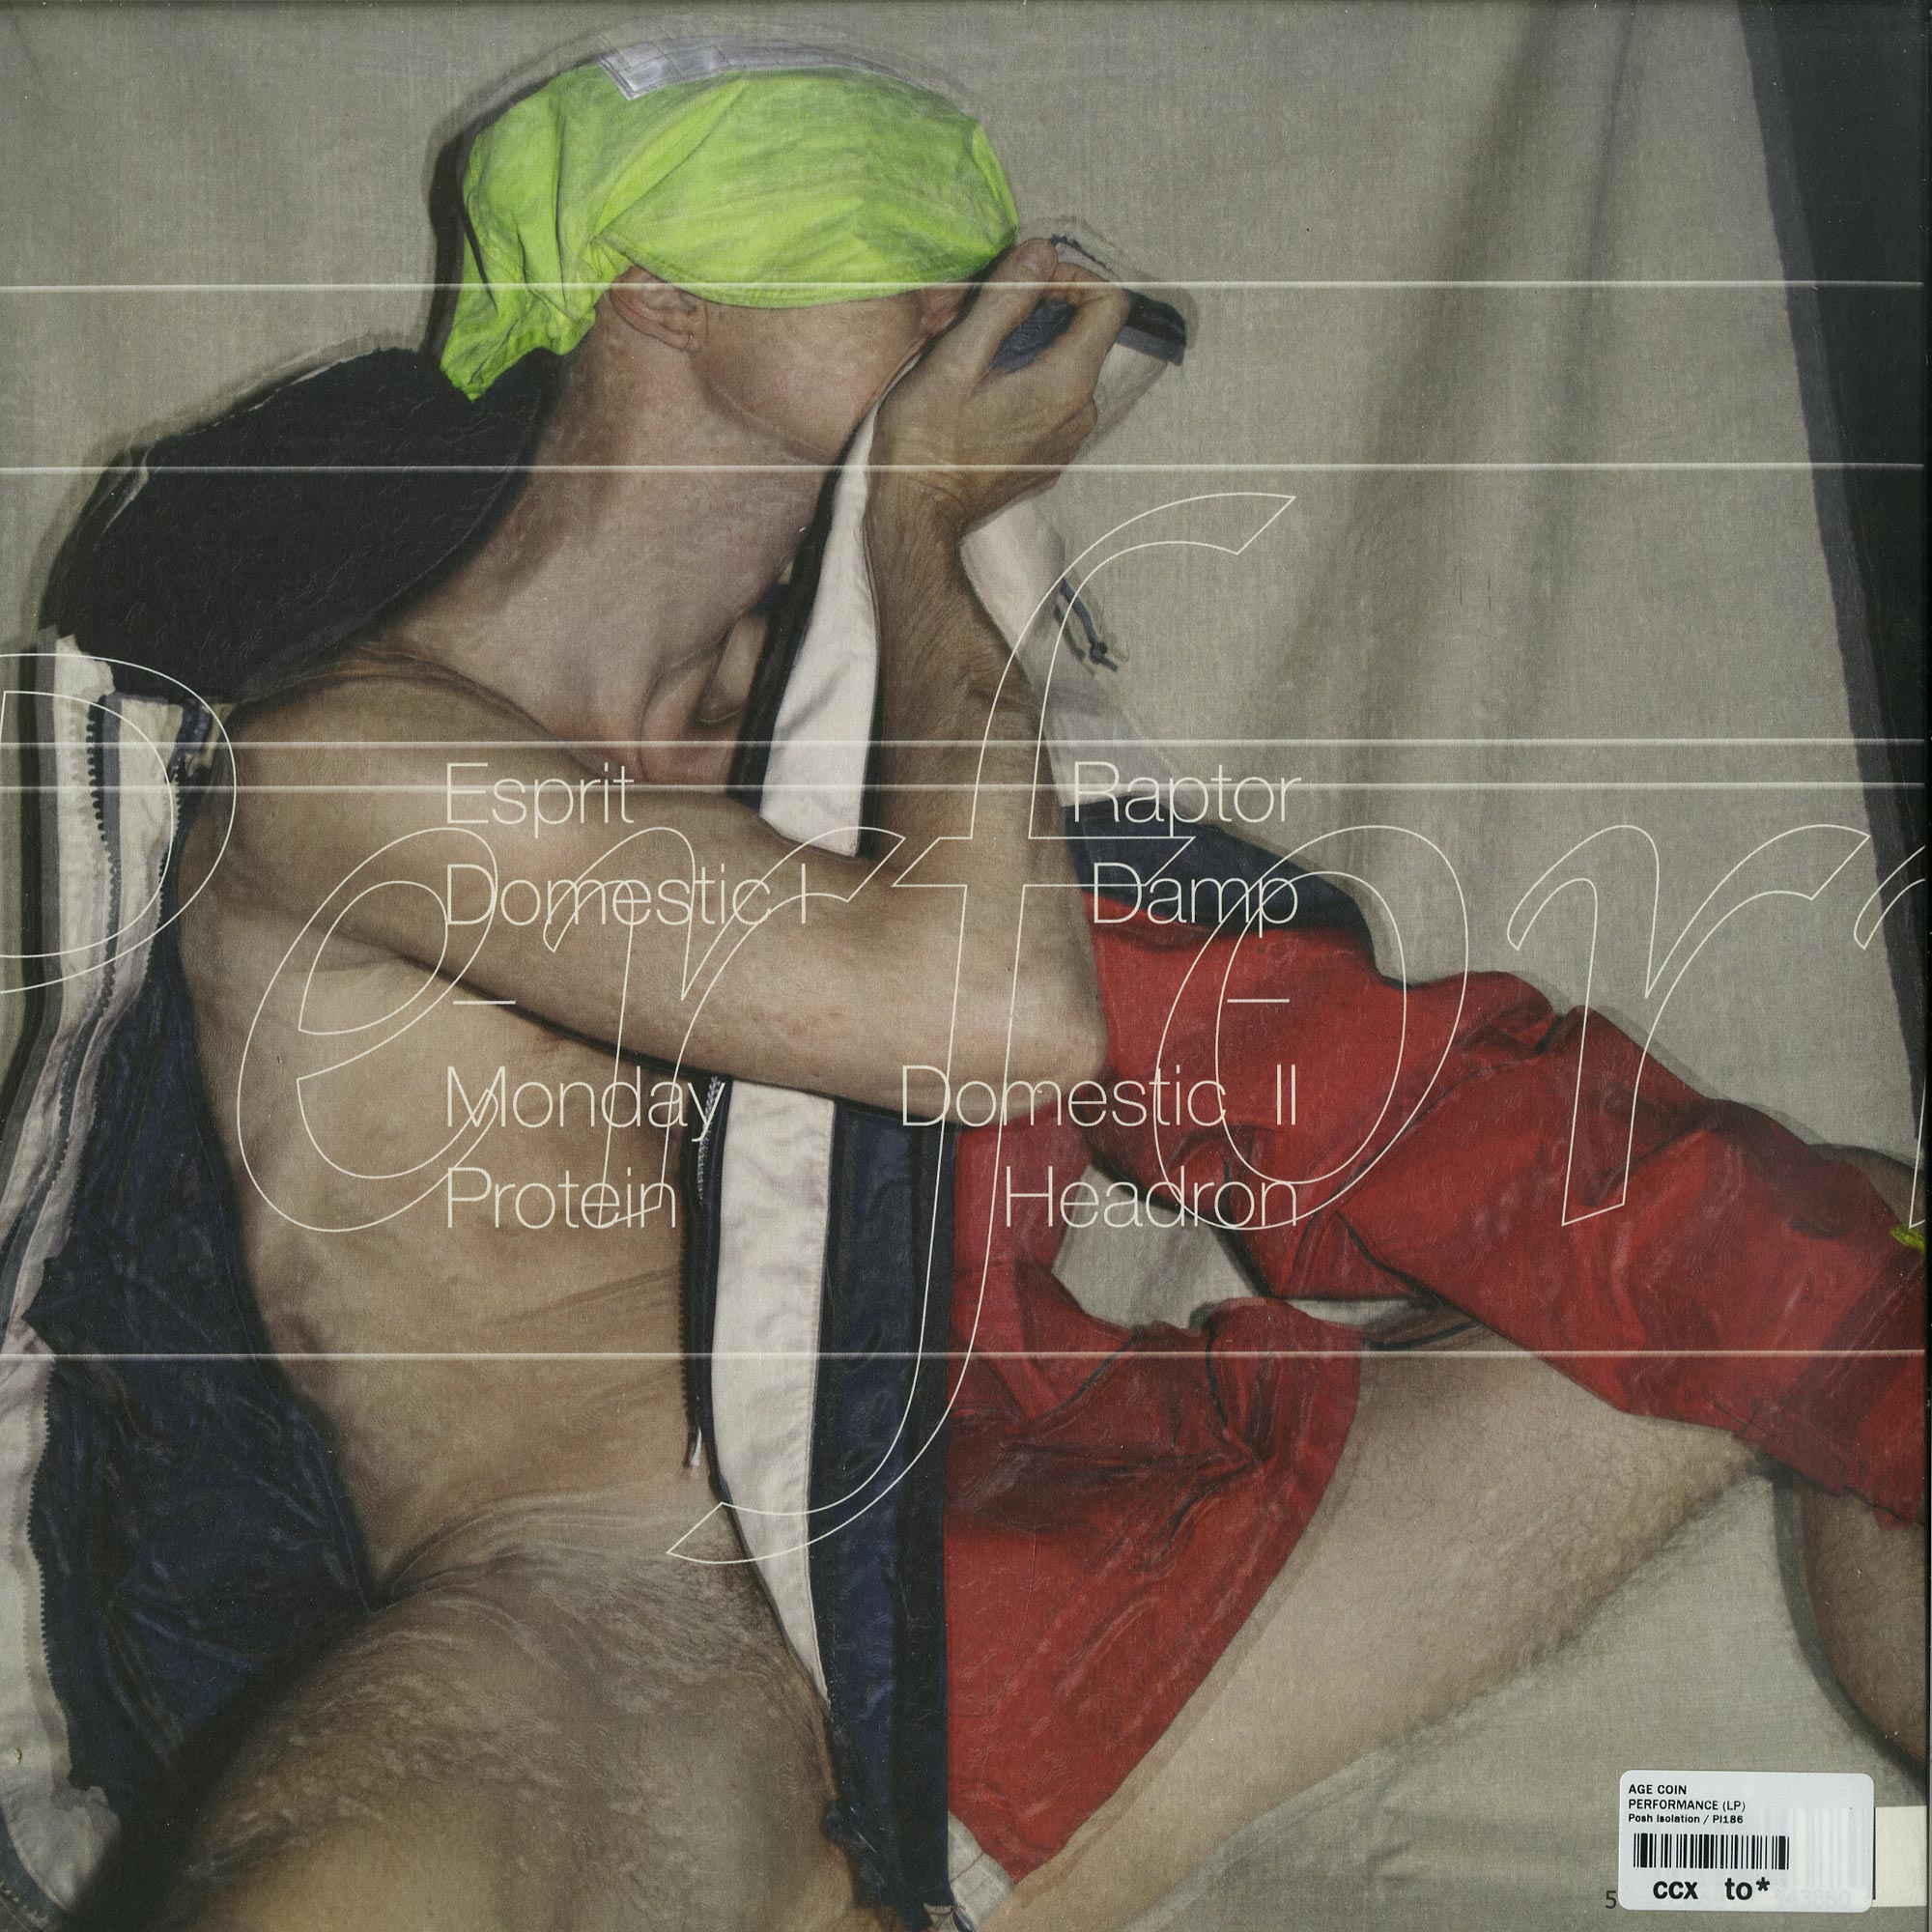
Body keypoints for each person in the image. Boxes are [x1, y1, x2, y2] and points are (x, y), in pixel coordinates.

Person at [134, 49, 1919, 1932]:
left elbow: (1304, 1077)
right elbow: (994, 1019)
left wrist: (1809, 1300)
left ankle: (1884, 1860)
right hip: (598, 1610)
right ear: (650, 290)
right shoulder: (337, 764)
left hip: (1017, 1575)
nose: (979, 295)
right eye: (891, 235)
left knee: (1826, 1255)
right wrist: (928, 529)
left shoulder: (856, 738)